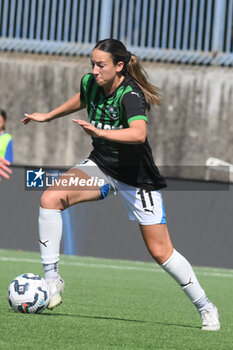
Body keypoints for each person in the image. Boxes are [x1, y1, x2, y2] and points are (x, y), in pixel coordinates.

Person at [22, 38, 220, 331]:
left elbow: (138, 134)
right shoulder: (91, 82)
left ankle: (206, 307)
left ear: (119, 66)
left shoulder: (131, 94)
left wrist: (100, 132)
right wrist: (48, 117)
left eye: (100, 64)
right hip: (101, 167)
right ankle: (52, 282)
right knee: (51, 197)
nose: (94, 69)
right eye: (92, 63)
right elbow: (82, 98)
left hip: (136, 178)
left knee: (161, 252)